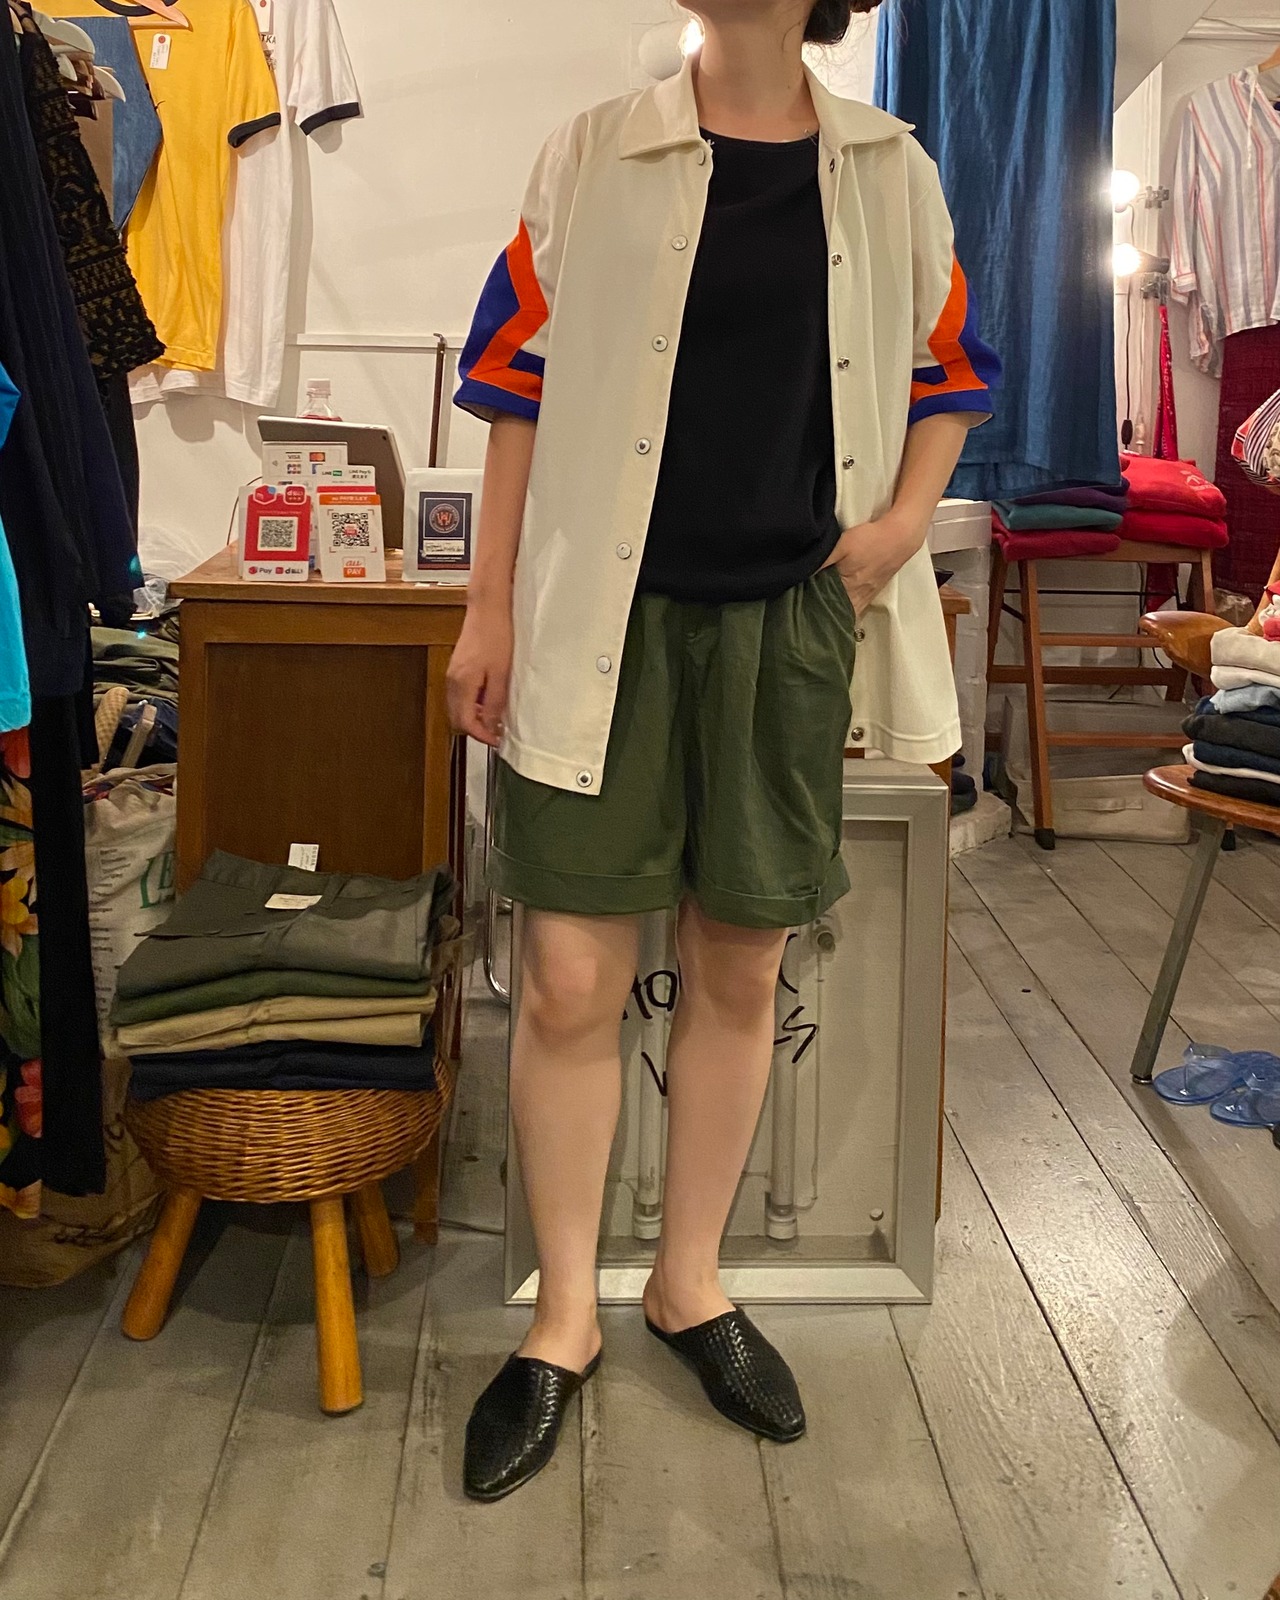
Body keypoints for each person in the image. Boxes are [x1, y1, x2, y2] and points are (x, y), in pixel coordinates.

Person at [446, 0, 998, 1503]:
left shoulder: (889, 167)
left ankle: (690, 1283)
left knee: (742, 962)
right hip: (596, 624)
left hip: (786, 621)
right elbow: (513, 386)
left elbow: (951, 365)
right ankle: (565, 1315)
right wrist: (487, 606)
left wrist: (896, 530)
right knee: (570, 978)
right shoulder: (591, 155)